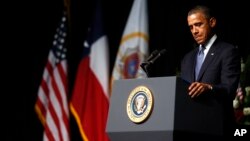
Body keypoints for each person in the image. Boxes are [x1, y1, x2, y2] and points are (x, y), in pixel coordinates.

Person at [180, 5, 241, 139]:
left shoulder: (227, 51)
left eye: (198, 25)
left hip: (218, 127)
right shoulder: (187, 58)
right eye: (191, 27)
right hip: (190, 127)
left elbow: (229, 89)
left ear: (212, 22)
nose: (194, 31)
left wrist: (209, 87)